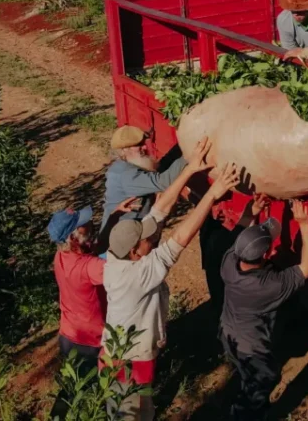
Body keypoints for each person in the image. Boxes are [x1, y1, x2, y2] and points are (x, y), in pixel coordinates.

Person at [102, 142, 240, 421]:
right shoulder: (140, 275)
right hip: (128, 360)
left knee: (143, 405)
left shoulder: (116, 257)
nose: (153, 238)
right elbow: (181, 238)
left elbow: (159, 212)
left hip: (119, 352)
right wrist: (212, 194)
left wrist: (189, 169)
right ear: (135, 251)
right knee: (127, 414)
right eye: (147, 240)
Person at [46, 195, 142, 421]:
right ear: (73, 237)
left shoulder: (61, 256)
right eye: (84, 225)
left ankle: (59, 418)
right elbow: (122, 272)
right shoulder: (89, 268)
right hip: (90, 340)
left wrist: (116, 214)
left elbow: (96, 245)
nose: (90, 225)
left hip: (69, 335)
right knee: (104, 384)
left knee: (74, 386)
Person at [220, 199, 308, 420]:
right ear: (265, 256)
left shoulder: (229, 263)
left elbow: (241, 230)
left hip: (229, 335)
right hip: (252, 348)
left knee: (246, 375)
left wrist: (253, 210)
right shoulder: (269, 286)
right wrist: (304, 224)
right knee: (261, 385)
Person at [102, 125, 189, 229]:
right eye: (139, 145)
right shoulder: (127, 175)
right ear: (124, 149)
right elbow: (163, 181)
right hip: (128, 239)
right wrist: (188, 152)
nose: (144, 147)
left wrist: (183, 144)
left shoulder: (121, 166)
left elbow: (160, 169)